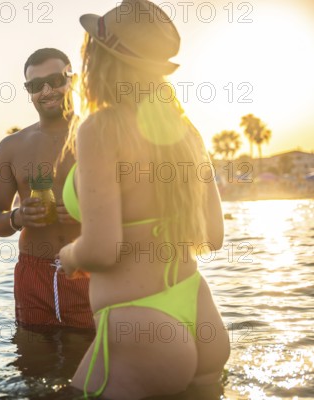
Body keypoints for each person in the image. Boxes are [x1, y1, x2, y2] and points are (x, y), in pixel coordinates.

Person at [58, 0, 231, 398]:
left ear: (96, 60)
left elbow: (102, 250)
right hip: (202, 317)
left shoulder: (101, 129)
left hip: (141, 329)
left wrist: (70, 256)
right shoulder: (186, 132)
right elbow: (213, 236)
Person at [0, 48, 93, 329]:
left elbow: (134, 213)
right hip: (33, 274)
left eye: (55, 81)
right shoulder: (11, 147)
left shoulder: (99, 137)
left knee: (90, 361)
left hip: (91, 269)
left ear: (73, 80)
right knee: (31, 364)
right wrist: (17, 218)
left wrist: (88, 216)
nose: (46, 91)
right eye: (35, 86)